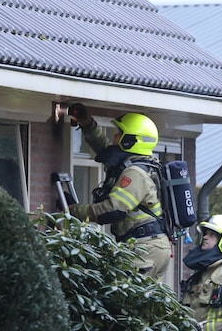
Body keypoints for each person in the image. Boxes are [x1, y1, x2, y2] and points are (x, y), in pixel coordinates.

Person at [67, 103, 172, 280]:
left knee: (127, 296)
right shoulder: (135, 163)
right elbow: (104, 148)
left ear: (130, 140)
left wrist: (73, 211)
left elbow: (112, 209)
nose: (115, 137)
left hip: (144, 247)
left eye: (119, 134)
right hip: (149, 245)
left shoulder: (134, 173)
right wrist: (87, 124)